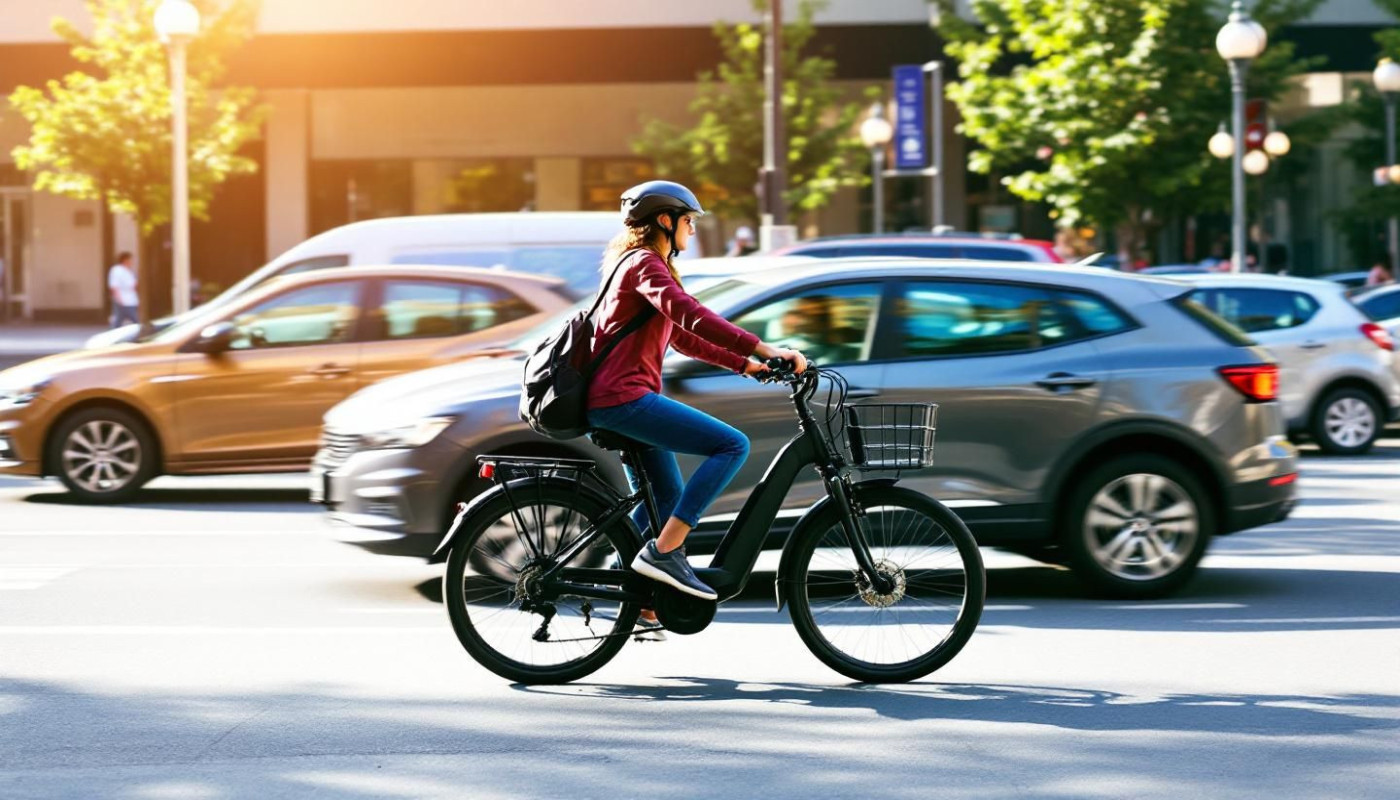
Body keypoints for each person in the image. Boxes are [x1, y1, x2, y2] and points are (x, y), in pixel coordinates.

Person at [586, 181, 805, 640]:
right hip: (623, 399)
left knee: (664, 500)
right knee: (731, 445)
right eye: (688, 220)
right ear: (664, 221)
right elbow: (688, 314)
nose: (692, 228)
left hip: (622, 398)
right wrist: (764, 345)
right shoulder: (644, 264)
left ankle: (635, 597)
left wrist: (746, 365)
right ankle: (662, 557)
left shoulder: (640, 264)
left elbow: (680, 336)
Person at [107, 252, 139, 328]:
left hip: (131, 300)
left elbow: (133, 285)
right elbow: (114, 286)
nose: (132, 262)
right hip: (123, 299)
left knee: (119, 321)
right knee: (133, 320)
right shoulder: (117, 270)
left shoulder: (129, 271)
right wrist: (118, 298)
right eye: (130, 260)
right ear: (125, 260)